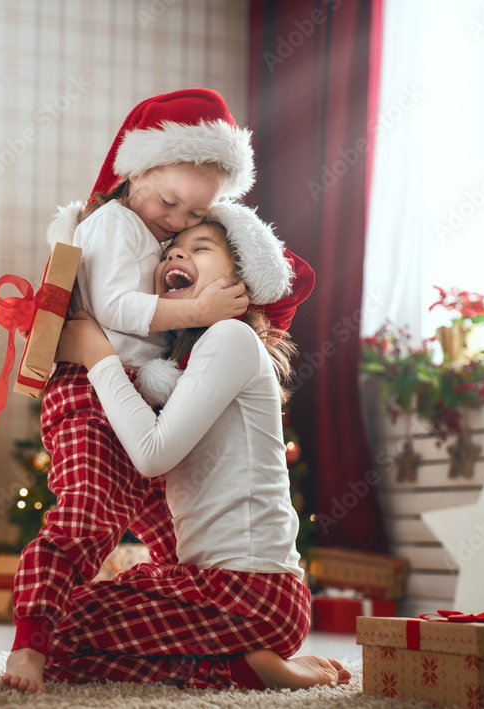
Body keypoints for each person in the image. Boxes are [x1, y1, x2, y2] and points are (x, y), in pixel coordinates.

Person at [3, 89, 285, 693]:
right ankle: (29, 645)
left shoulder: (157, 236)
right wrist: (203, 304)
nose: (178, 222)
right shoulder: (111, 223)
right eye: (170, 203)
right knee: (83, 518)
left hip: (137, 401)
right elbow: (115, 308)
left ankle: (215, 636)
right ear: (137, 172)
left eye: (195, 216)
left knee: (177, 532)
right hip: (88, 394)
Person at [35, 203, 351, 692]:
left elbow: (152, 454)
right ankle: (240, 664)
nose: (176, 256)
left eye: (200, 249)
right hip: (229, 590)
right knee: (64, 626)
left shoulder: (231, 337)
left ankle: (238, 671)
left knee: (61, 629)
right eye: (172, 251)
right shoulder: (194, 358)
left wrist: (98, 355)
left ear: (239, 282)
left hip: (251, 592)